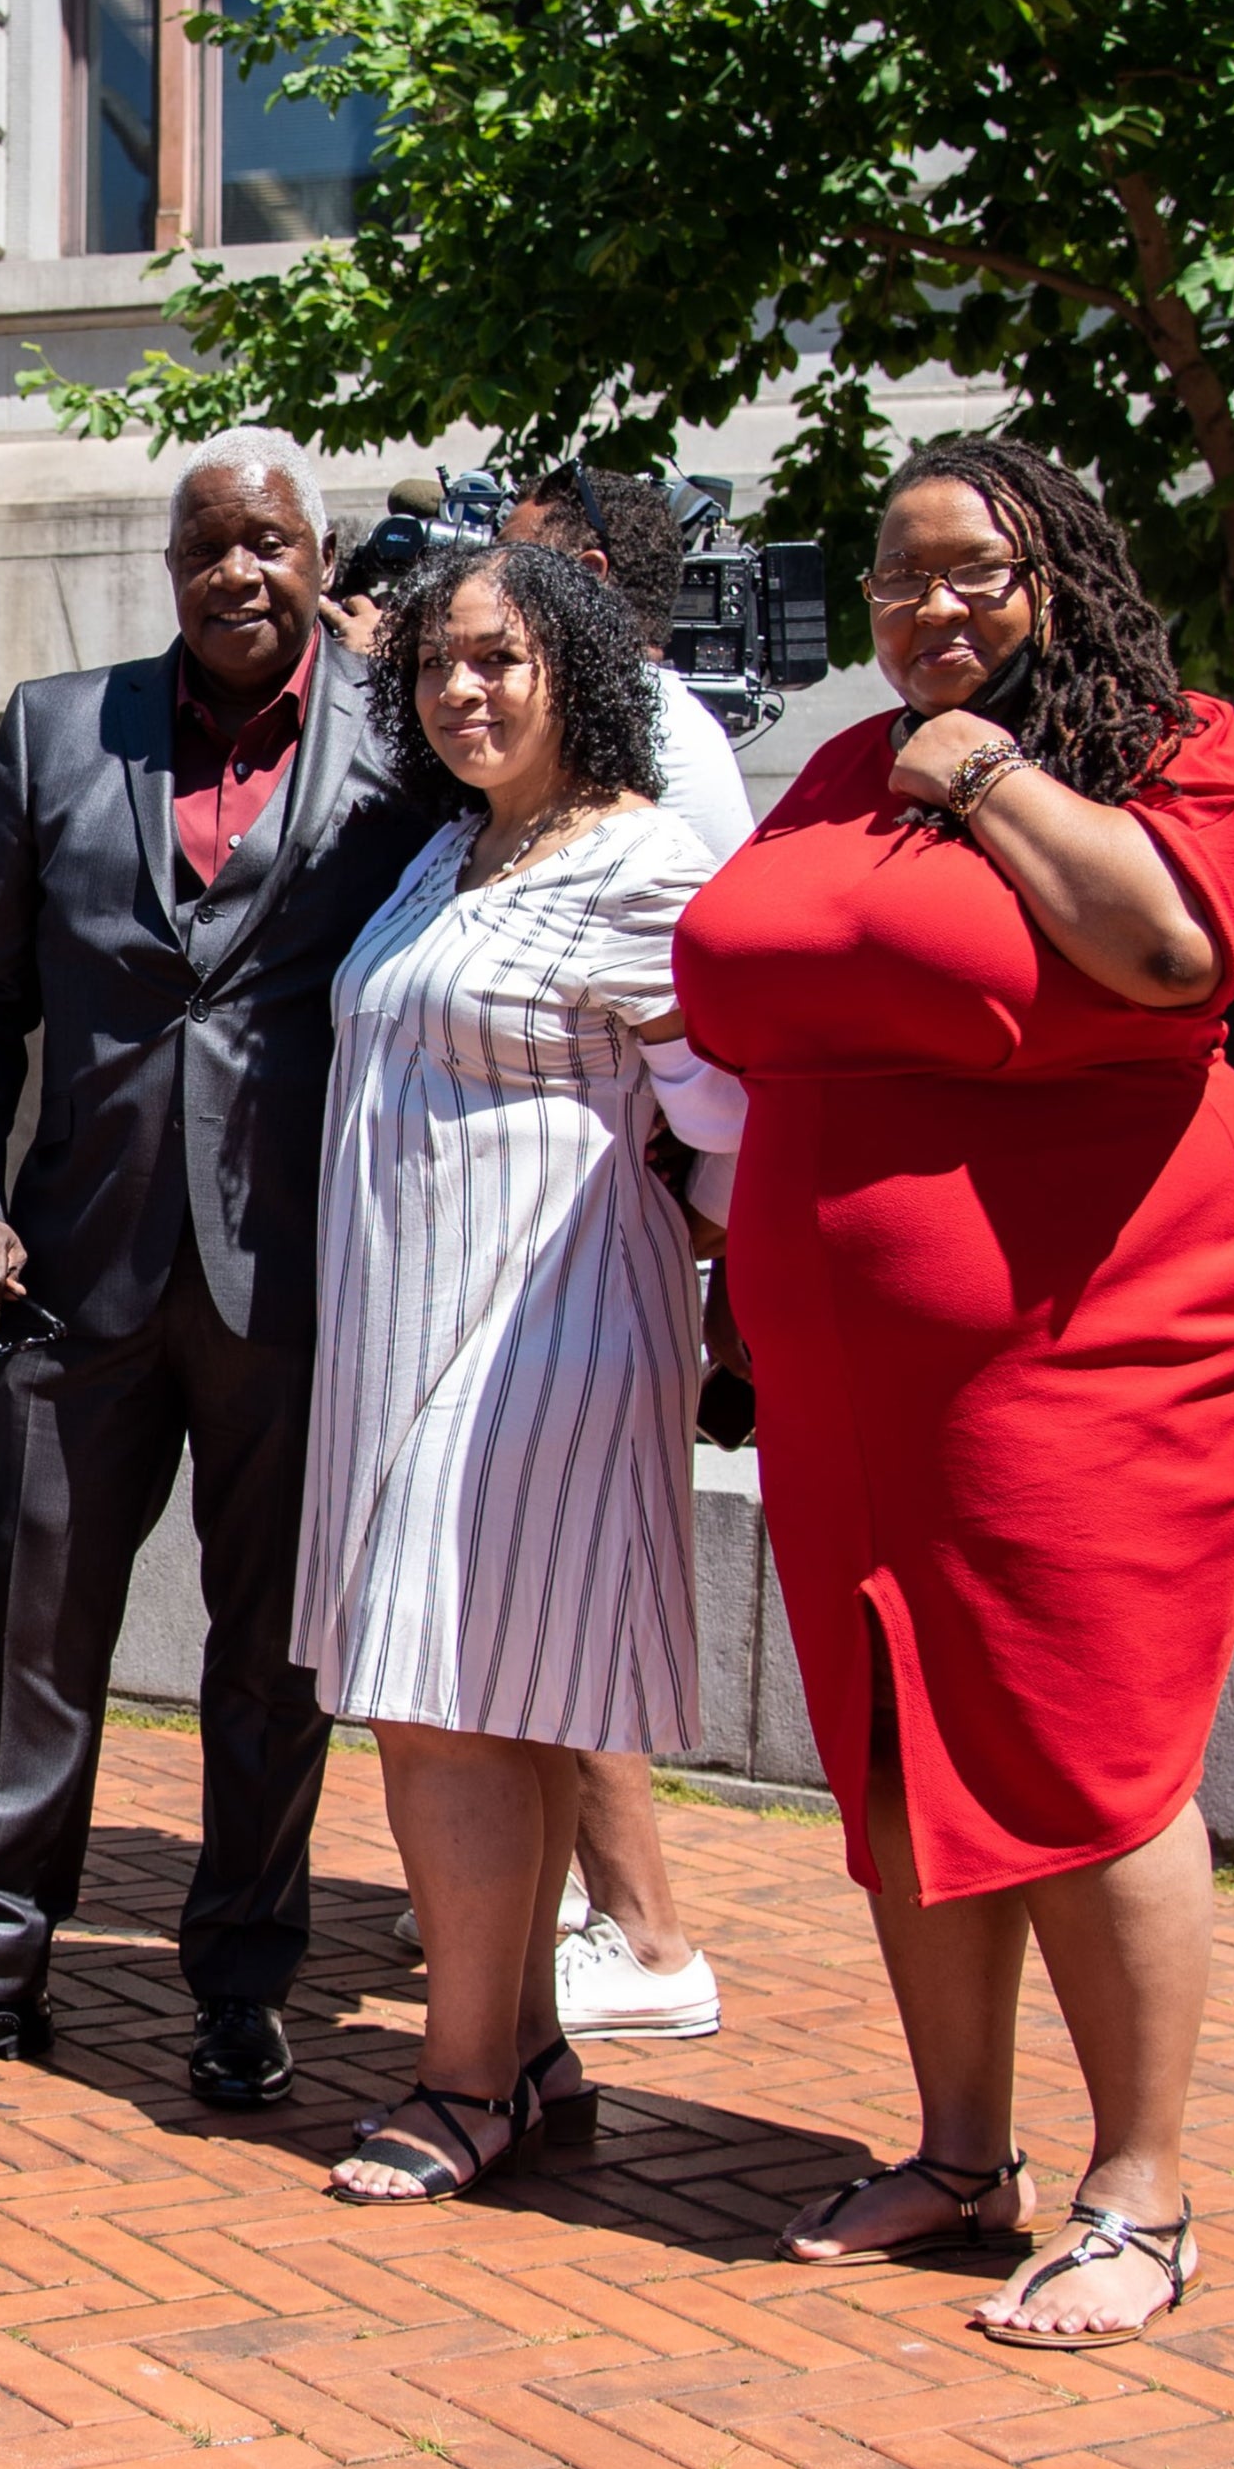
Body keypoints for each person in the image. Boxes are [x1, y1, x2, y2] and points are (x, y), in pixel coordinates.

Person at [675, 437, 1234, 2347]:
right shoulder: (841, 772)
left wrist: (989, 770)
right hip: (848, 1359)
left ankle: (1143, 2187)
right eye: (892, 576)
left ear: (1063, 577)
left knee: (1081, 1741)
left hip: (1091, 1330)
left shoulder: (1181, 750)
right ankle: (961, 2151)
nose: (926, 608)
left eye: (974, 572)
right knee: (884, 1738)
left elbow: (1167, 944)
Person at [0, 426, 430, 2104]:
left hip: (294, 1280)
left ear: (319, 556)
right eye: (206, 545)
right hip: (77, 1263)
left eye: (269, 543)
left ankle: (242, 1978)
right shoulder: (67, 728)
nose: (237, 572)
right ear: (169, 564)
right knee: (31, 1638)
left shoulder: (397, 745)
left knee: (269, 1660)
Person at [296, 544, 741, 2204]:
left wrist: (667, 1265)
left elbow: (724, 1118)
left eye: (497, 660)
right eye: (431, 668)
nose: (461, 692)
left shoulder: (644, 861)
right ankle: (532, 2053)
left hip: (540, 1321)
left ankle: (463, 2077)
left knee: (444, 1694)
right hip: (406, 1316)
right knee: (492, 1692)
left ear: (572, 668)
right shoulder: (448, 850)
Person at [493, 462, 749, 2045]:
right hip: (597, 1225)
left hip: (609, 1236)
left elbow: (701, 1008)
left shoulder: (660, 747)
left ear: (581, 577)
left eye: (511, 585)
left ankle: (648, 1939)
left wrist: (702, 1225)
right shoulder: (629, 732)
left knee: (562, 1584)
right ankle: (610, 1919)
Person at [503, 465, 757, 860]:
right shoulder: (657, 704)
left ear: (585, 576)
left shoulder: (614, 712)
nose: (481, 579)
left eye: (507, 563)